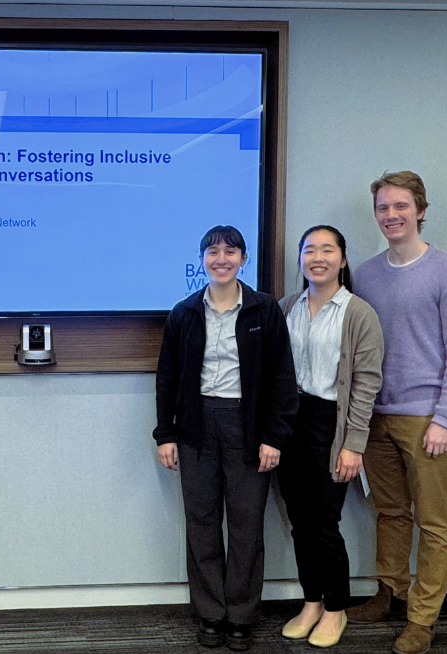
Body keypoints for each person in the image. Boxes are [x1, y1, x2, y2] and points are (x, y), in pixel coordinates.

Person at [153, 225, 298, 651]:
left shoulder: (263, 310)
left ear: (243, 259)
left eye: (230, 251)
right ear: (202, 260)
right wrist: (166, 434)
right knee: (200, 522)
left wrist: (274, 436)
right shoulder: (184, 313)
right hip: (196, 425)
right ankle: (210, 613)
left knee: (247, 523)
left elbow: (282, 378)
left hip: (247, 426)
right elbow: (167, 379)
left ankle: (241, 615)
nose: (221, 259)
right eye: (213, 252)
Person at [347, 171, 447, 654]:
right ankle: (390, 592)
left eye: (401, 206)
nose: (391, 215)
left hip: (426, 419)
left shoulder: (444, 270)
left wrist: (444, 418)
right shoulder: (364, 274)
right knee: (389, 512)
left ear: (421, 210)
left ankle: (423, 619)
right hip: (375, 417)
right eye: (383, 208)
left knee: (434, 522)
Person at [276, 225, 383, 648]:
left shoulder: (358, 313)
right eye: (309, 250)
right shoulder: (288, 306)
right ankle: (311, 601)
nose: (317, 257)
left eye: (327, 249)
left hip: (330, 424)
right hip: (290, 423)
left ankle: (336, 608)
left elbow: (366, 384)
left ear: (342, 259)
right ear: (301, 259)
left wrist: (353, 444)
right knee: (300, 523)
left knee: (324, 523)